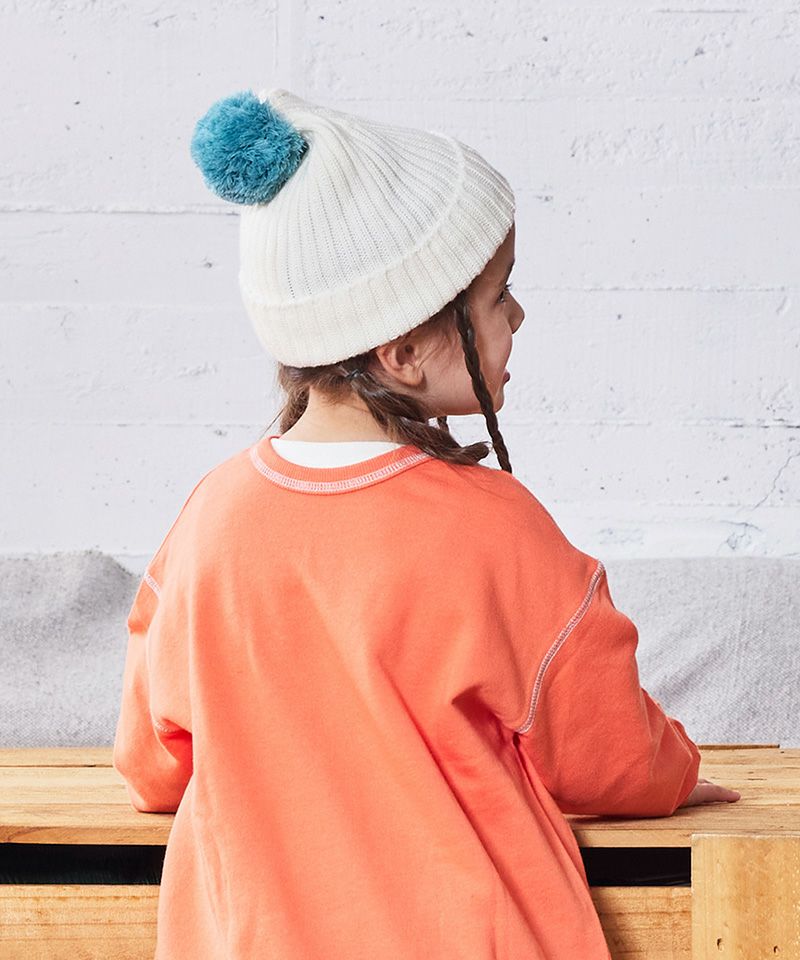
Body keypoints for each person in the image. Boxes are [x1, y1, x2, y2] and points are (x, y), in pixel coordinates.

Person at [112, 87, 740, 960]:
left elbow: (152, 766)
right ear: (403, 351)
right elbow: (609, 757)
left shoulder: (209, 521)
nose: (517, 315)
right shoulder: (497, 531)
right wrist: (678, 774)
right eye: (497, 295)